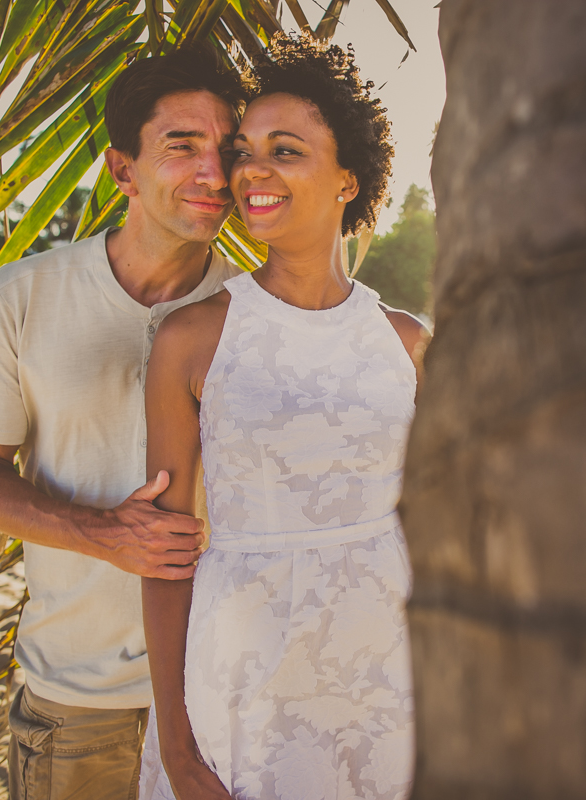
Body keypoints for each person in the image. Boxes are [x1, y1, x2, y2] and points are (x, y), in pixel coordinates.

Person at [0, 48, 247, 800]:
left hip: (226, 693)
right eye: (183, 147)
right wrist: (104, 533)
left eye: (227, 148)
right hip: (77, 699)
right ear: (123, 170)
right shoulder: (24, 293)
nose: (215, 173)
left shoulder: (256, 314)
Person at [137, 34, 427, 800]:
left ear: (347, 182)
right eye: (244, 150)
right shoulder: (192, 340)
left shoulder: (409, 343)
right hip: (245, 686)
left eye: (285, 150)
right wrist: (173, 740)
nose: (250, 171)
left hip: (389, 679)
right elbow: (164, 555)